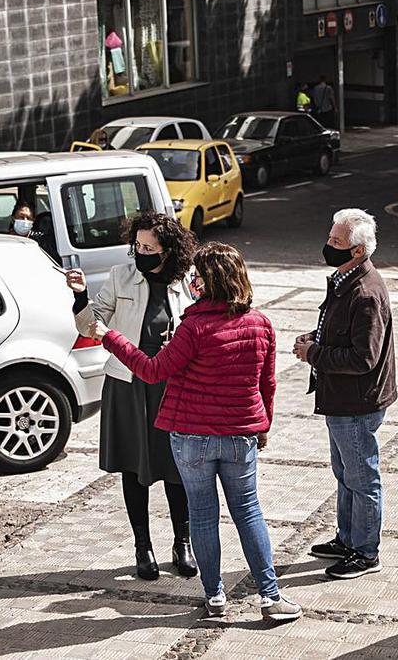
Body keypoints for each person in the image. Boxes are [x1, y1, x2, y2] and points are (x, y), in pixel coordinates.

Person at [90, 242, 303, 622]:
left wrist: (112, 337)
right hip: (241, 435)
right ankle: (270, 597)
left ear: (207, 282)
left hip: (191, 437)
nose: (192, 281)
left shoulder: (194, 327)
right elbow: (267, 384)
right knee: (249, 512)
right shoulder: (260, 323)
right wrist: (264, 426)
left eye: (197, 276)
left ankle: (215, 596)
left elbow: (153, 370)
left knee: (203, 516)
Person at [66, 214, 198, 582]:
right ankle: (144, 547)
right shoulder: (120, 276)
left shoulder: (187, 282)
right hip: (128, 384)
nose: (139, 253)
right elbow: (89, 326)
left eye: (148, 248)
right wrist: (79, 296)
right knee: (134, 468)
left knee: (177, 466)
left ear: (168, 251)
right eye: (136, 246)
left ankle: (182, 543)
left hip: (173, 385)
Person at [294, 209, 397, 580]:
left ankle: (366, 552)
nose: (328, 246)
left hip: (356, 402)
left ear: (357, 251)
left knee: (361, 477)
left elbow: (363, 358)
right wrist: (315, 340)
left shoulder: (366, 292)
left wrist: (314, 354)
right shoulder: (346, 280)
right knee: (345, 473)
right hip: (341, 399)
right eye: (330, 238)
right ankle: (347, 538)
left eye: (336, 243)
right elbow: (343, 333)